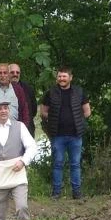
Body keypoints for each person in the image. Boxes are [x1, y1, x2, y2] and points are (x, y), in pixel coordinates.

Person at [40, 66, 91, 199]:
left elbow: (87, 111)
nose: (62, 79)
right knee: (57, 164)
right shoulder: (50, 92)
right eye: (60, 76)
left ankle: (77, 193)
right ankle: (56, 193)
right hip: (57, 135)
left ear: (70, 78)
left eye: (64, 76)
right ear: (57, 78)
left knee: (75, 164)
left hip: (76, 135)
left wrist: (78, 121)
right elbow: (43, 111)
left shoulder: (79, 92)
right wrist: (51, 121)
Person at [0, 63, 31, 129]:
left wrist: (23, 128)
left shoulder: (18, 89)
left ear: (9, 74)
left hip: (15, 129)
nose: (2, 75)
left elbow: (25, 110)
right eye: (0, 73)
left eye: (5, 73)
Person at [9, 63, 37, 137]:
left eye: (17, 72)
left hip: (27, 130)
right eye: (12, 72)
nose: (15, 74)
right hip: (7, 131)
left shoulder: (28, 89)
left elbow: (33, 110)